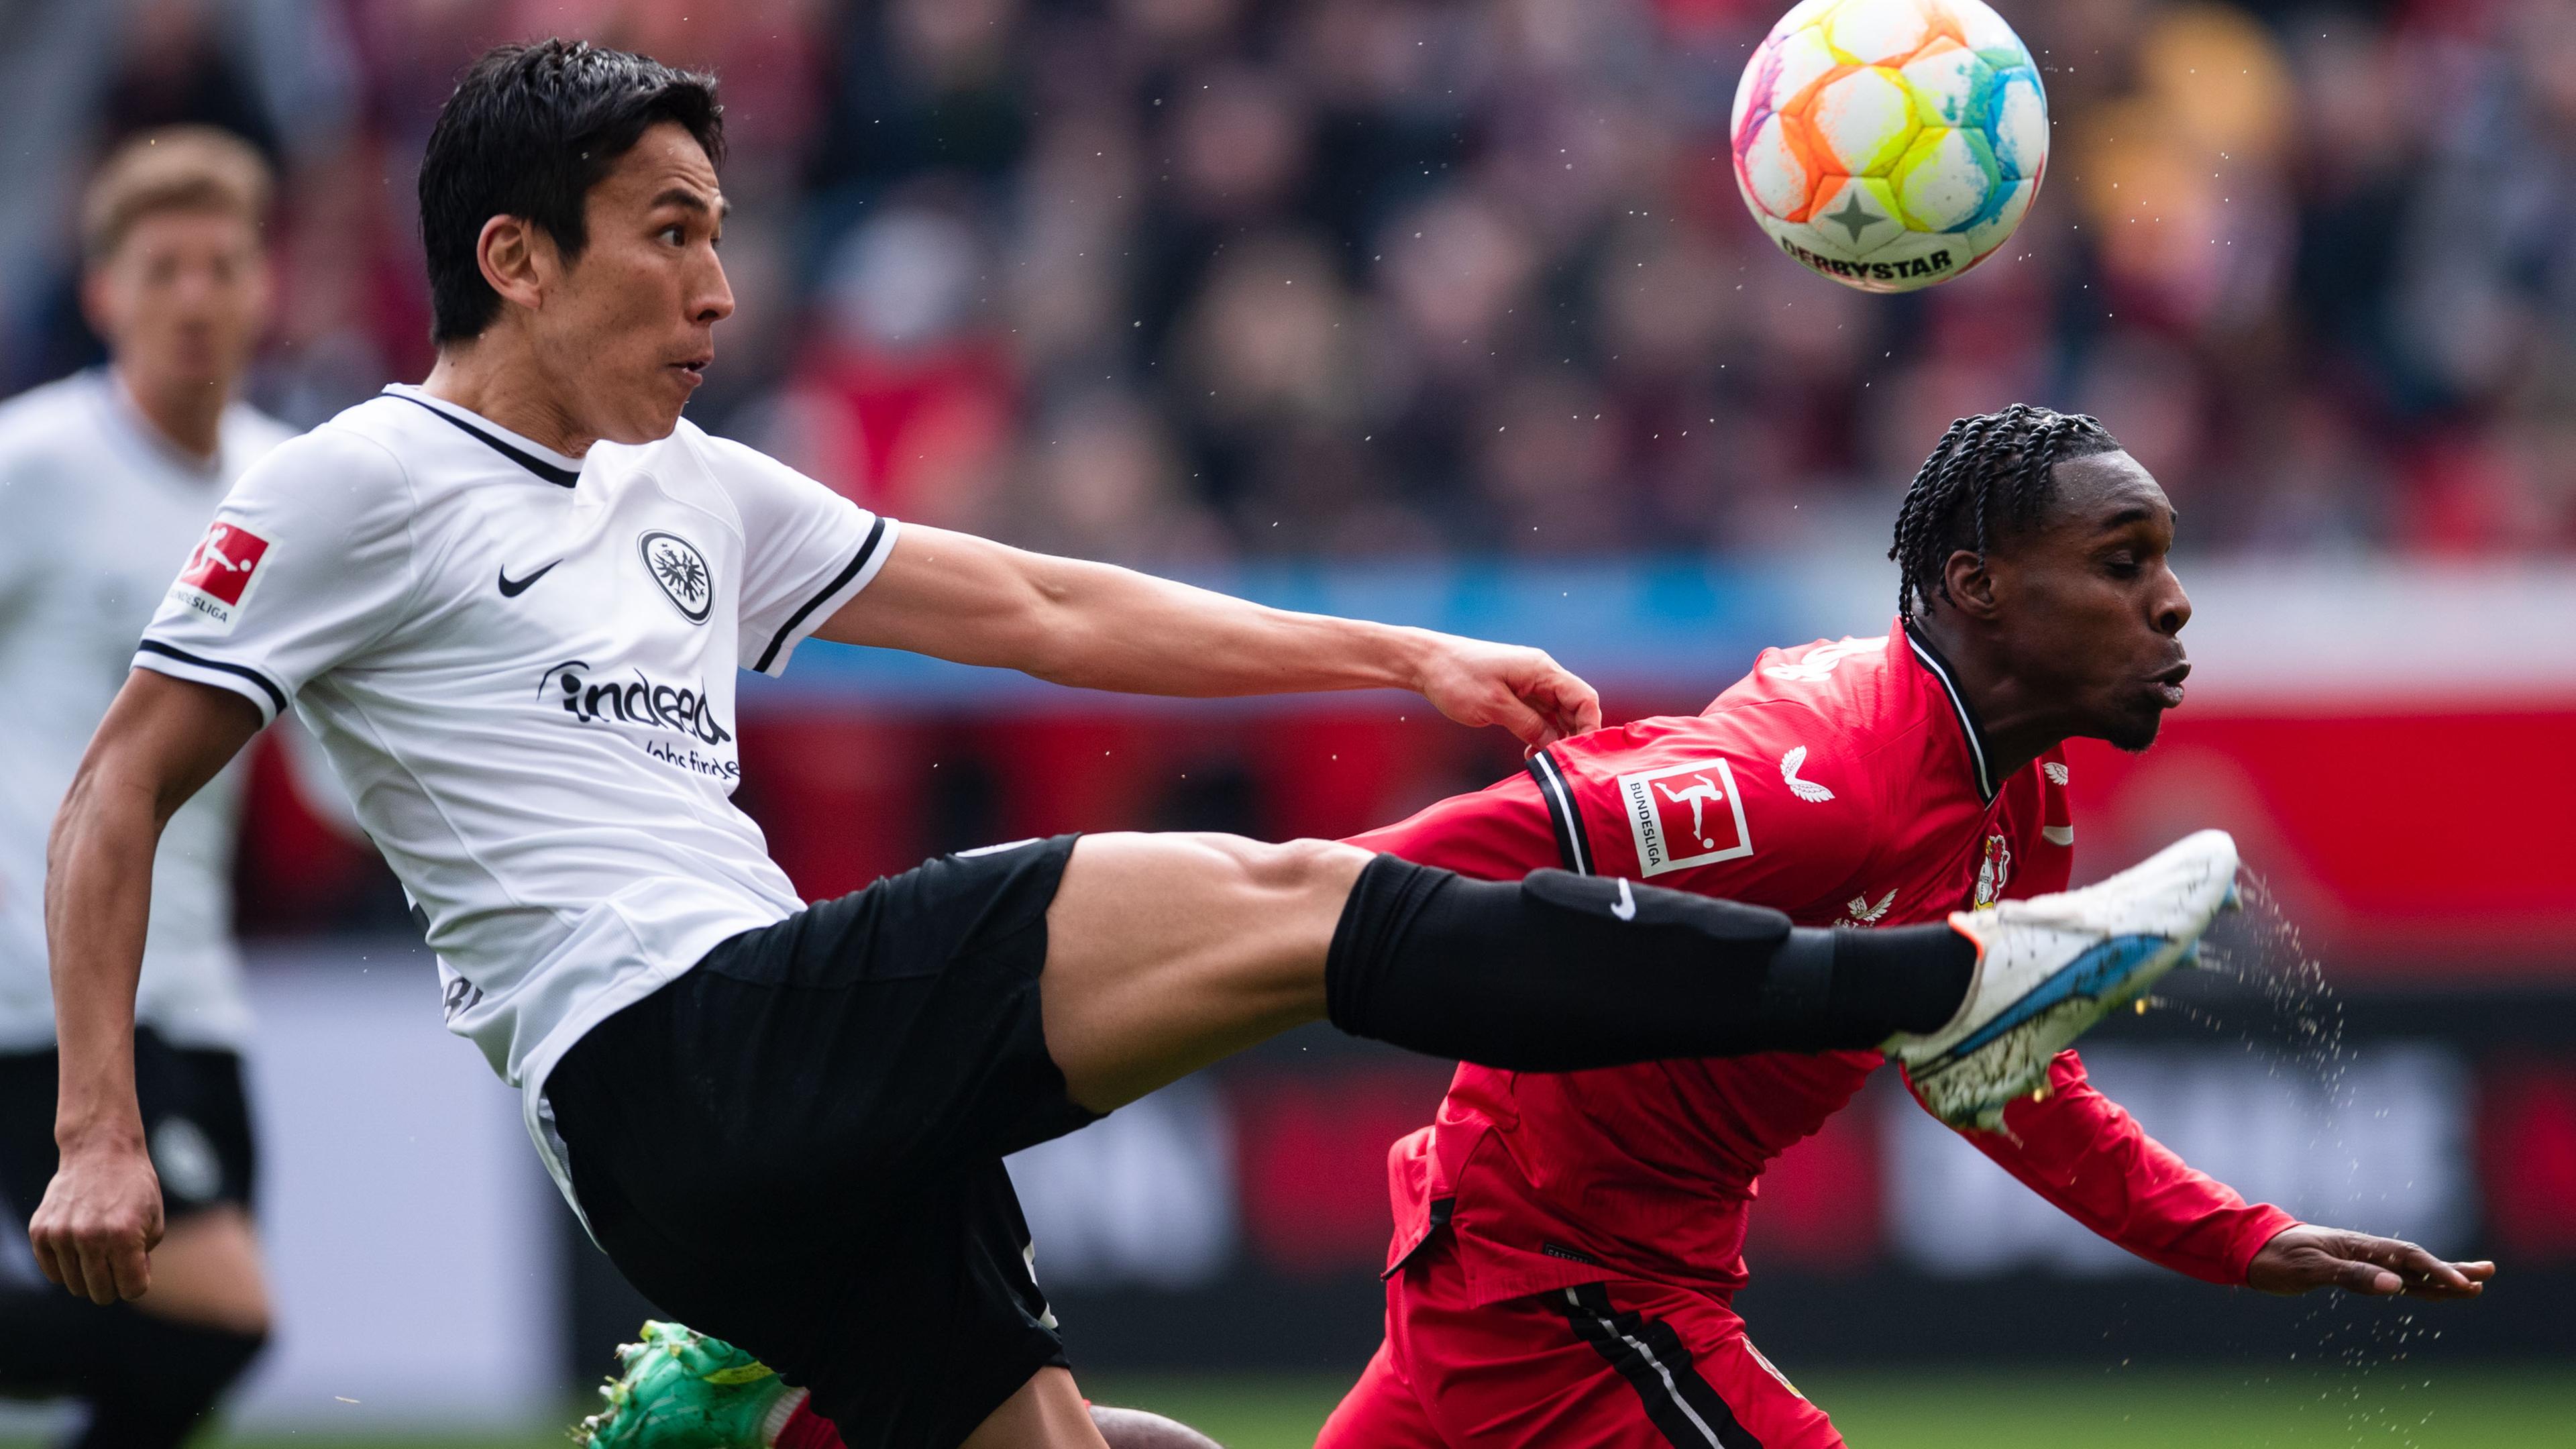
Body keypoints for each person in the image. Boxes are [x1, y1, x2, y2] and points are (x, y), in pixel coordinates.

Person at [28, 45, 2236, 1449]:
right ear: (513, 259)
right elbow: (118, 782)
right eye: (671, 235)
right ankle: (1942, 982)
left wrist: (1393, 654)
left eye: (726, 228)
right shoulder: (348, 486)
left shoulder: (701, 494)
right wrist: (98, 1129)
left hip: (778, 1149)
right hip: (675, 1048)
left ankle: (746, 1417)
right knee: (1310, 912)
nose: (721, 286)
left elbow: (1058, 607)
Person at [590, 406, 2493, 1449]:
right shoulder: (1822, 773)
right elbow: (1444, 874)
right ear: (1982, 591)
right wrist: (1256, 937)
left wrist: (2233, 1239)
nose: (2174, 605)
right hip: (1569, 1295)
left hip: (1546, 1271)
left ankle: (803, 1434)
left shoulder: (2015, 787)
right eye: (2127, 564)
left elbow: (1987, 1054)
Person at [0, 127, 293, 1449]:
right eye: (161, 267)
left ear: (263, 287)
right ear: (105, 290)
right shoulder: (37, 467)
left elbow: (350, 756)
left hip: (198, 986)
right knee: (214, 1314)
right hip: (42, 980)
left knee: (166, 1379)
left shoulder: (292, 487)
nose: (193, 295)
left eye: (220, 265)